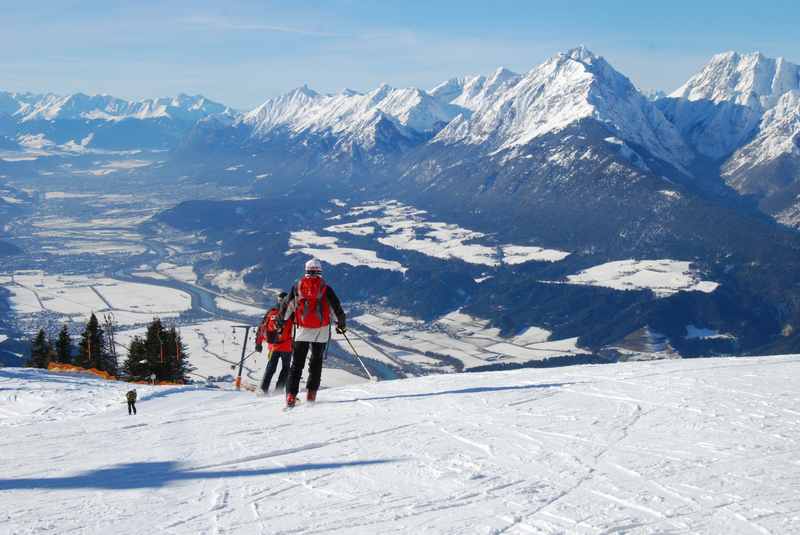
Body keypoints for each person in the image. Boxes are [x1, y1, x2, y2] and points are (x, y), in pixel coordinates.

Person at [280, 258, 346, 407]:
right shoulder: (326, 288)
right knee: (316, 364)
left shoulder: (297, 287)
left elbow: (287, 308)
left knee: (296, 364)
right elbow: (336, 309)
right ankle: (311, 394)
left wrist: (281, 322)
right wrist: (340, 324)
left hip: (301, 330)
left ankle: (291, 396)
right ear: (320, 271)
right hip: (321, 332)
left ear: (306, 270)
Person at [254, 291, 293, 395]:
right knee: (286, 368)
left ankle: (263, 389)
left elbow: (262, 328)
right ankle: (279, 390)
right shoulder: (291, 312)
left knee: (270, 368)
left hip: (274, 346)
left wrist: (258, 343)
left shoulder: (271, 312)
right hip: (287, 346)